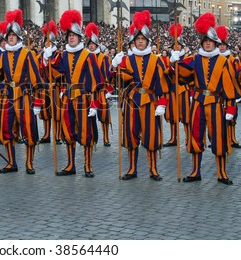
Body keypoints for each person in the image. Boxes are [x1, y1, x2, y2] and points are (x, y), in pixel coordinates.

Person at [170, 12, 238, 185]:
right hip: (198, 103)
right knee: (195, 136)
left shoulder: (224, 62)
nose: (208, 43)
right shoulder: (195, 58)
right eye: (205, 41)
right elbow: (182, 77)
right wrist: (175, 63)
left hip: (216, 104)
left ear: (215, 43)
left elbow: (229, 87)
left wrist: (231, 107)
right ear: (202, 42)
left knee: (219, 138)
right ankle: (195, 171)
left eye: (211, 41)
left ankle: (221, 172)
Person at [43, 10, 104, 177]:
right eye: (69, 35)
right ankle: (70, 165)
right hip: (68, 99)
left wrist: (94, 104)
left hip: (83, 99)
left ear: (79, 37)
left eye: (74, 35)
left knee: (86, 132)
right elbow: (55, 72)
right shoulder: (63, 55)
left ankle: (88, 166)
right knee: (68, 131)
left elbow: (96, 83)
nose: (71, 38)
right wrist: (47, 59)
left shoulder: (88, 56)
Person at [0, 9, 44, 174]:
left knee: (28, 128)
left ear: (18, 37)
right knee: (6, 129)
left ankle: (29, 163)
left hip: (23, 95)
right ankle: (11, 162)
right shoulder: (2, 55)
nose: (10, 37)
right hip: (7, 96)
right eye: (8, 36)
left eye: (13, 35)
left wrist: (38, 102)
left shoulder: (27, 54)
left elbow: (36, 79)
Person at [112, 10, 169, 181]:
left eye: (143, 39)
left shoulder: (156, 60)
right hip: (132, 101)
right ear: (134, 42)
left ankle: (153, 169)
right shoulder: (127, 60)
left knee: (151, 136)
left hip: (151, 101)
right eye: (138, 39)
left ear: (147, 41)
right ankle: (132, 169)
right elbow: (119, 83)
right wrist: (115, 67)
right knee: (131, 135)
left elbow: (163, 83)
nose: (140, 42)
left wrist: (162, 102)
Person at [85, 22, 113, 147]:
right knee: (90, 116)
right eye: (89, 44)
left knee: (104, 116)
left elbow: (108, 74)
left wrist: (108, 90)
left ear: (96, 45)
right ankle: (92, 137)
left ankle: (106, 137)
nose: (91, 46)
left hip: (101, 90)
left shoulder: (104, 58)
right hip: (90, 91)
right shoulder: (84, 57)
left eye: (93, 44)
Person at [216, 25, 241, 148]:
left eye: (223, 45)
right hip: (218, 93)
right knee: (219, 117)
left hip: (231, 92)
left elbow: (238, 76)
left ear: (227, 46)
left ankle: (232, 139)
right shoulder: (214, 60)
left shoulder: (233, 60)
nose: (221, 46)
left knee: (232, 117)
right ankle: (221, 139)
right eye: (220, 44)